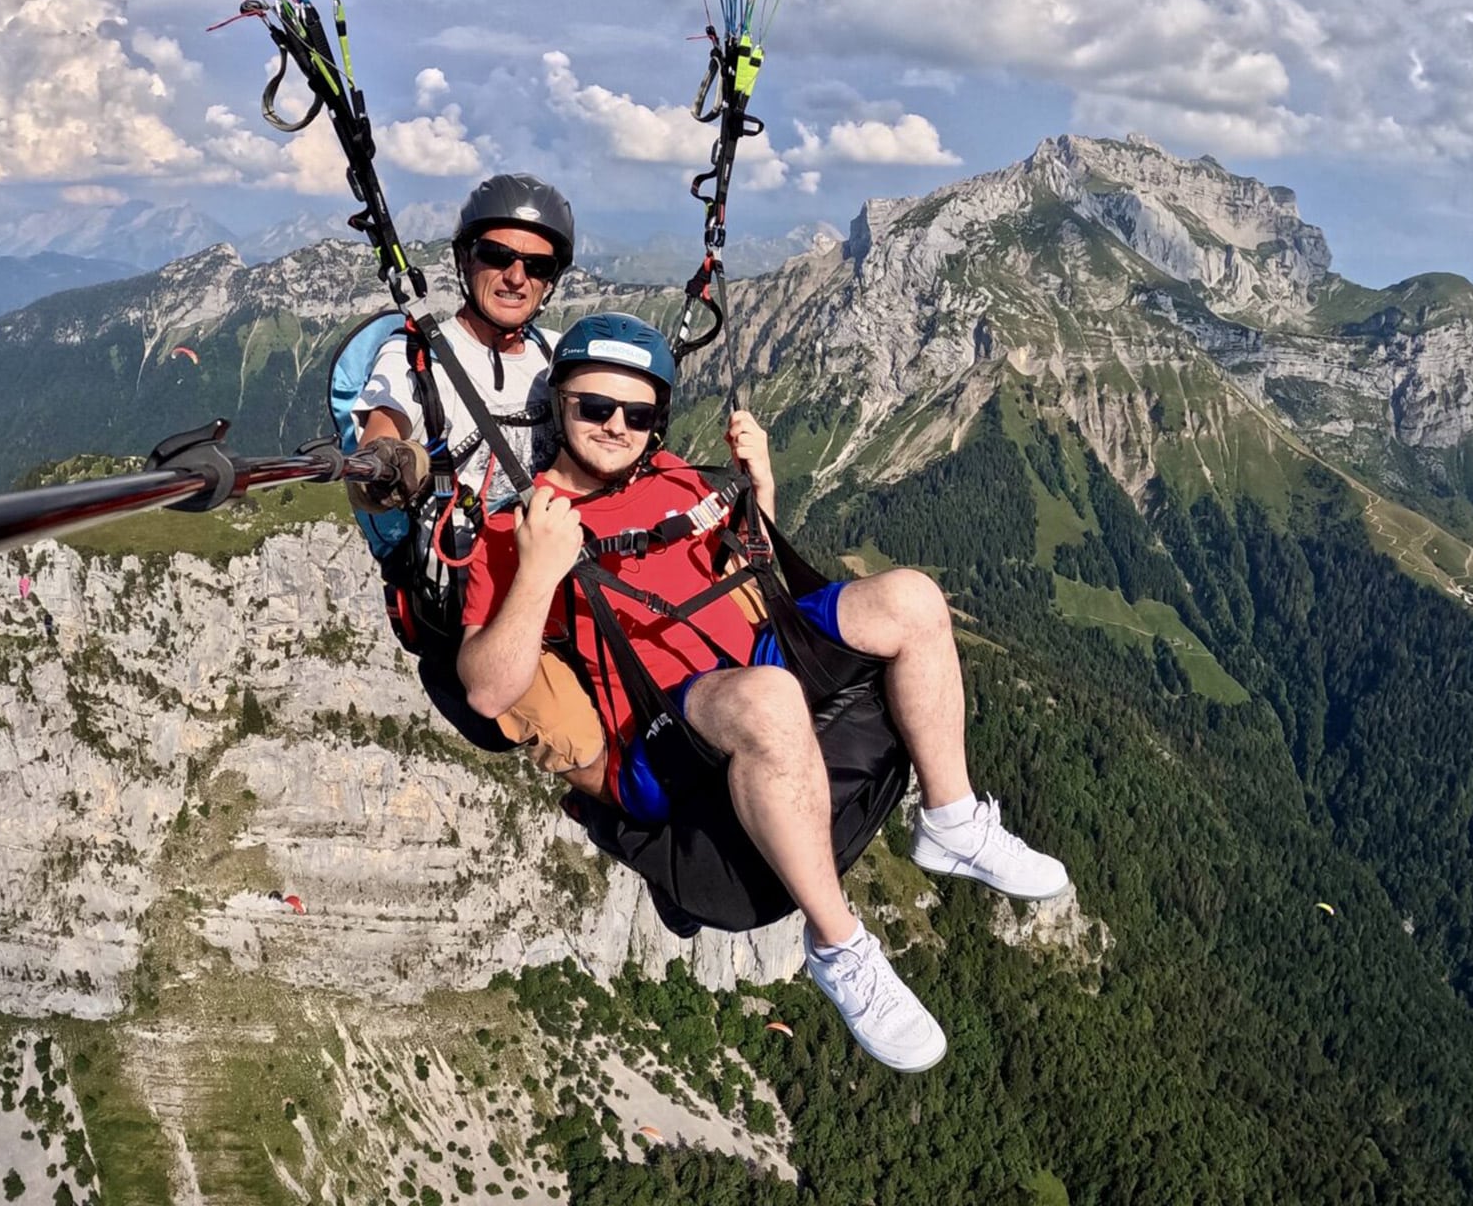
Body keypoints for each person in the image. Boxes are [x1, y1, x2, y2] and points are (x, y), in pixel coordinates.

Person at [456, 312, 1070, 1073]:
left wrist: (762, 488)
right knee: (768, 699)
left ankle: (951, 820)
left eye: (637, 414)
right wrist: (542, 568)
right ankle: (839, 947)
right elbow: (485, 690)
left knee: (913, 598)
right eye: (594, 407)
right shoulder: (523, 527)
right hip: (661, 723)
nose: (616, 426)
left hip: (751, 644)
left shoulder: (676, 476)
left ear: (658, 422)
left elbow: (747, 567)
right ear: (560, 406)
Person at [346, 172, 604, 786]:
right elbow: (383, 432)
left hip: (557, 579)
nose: (517, 277)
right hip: (476, 607)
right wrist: (389, 464)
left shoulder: (553, 362)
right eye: (498, 256)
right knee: (582, 738)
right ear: (467, 260)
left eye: (537, 266)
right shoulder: (418, 356)